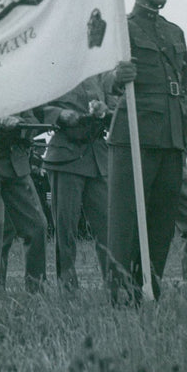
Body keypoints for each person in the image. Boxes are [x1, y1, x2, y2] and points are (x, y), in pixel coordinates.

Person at [107, 0, 187, 303]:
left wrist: (185, 132)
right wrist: (115, 78)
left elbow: (184, 86)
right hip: (134, 137)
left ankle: (149, 295)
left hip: (171, 139)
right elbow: (98, 78)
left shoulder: (174, 32)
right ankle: (119, 301)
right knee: (125, 227)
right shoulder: (120, 28)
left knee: (160, 228)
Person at [42, 74, 116, 290]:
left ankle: (115, 287)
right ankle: (68, 290)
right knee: (66, 231)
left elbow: (115, 110)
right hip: (65, 156)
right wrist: (59, 114)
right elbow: (36, 107)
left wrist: (106, 111)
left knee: (108, 227)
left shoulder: (100, 72)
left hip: (97, 157)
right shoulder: (54, 67)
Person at [0, 114, 47, 292]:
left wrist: (20, 124)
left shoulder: (16, 88)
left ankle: (36, 292)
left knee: (38, 226)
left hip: (17, 165)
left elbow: (35, 120)